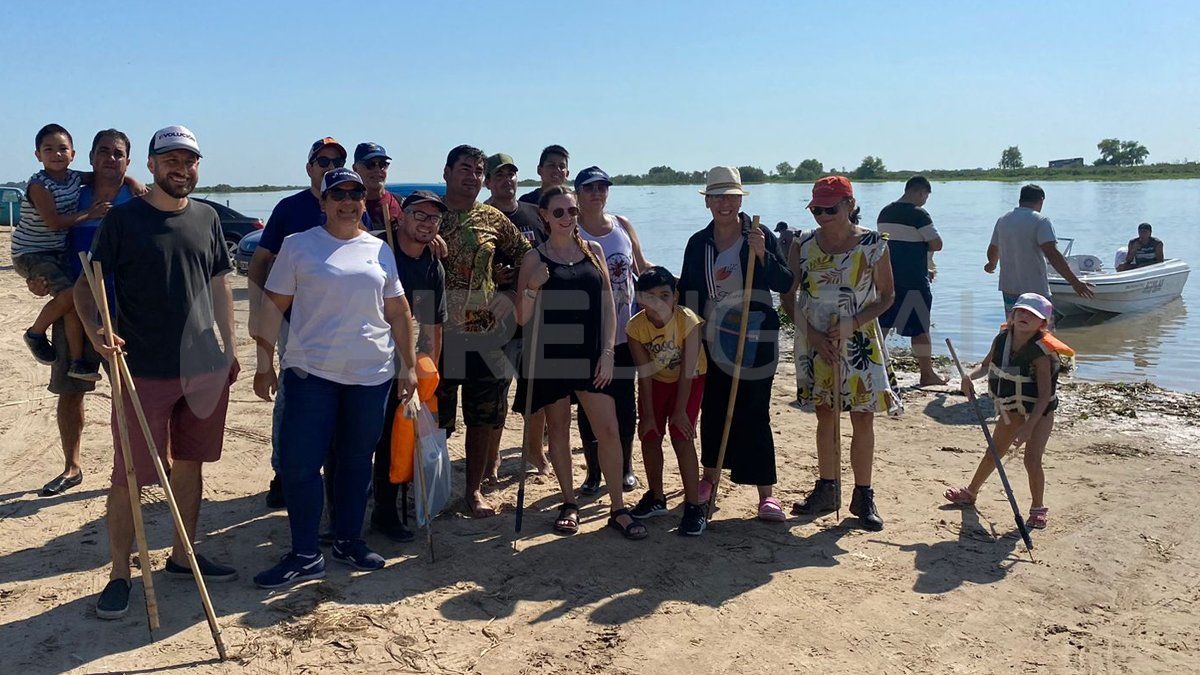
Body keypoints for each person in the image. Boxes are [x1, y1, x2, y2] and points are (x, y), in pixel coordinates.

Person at [74, 125, 239, 619]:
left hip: (202, 368)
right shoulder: (124, 220)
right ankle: (120, 574)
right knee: (130, 475)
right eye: (170, 160)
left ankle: (184, 556)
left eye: (189, 161)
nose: (180, 169)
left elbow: (220, 285)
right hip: (141, 369)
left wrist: (231, 350)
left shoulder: (207, 217)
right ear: (151, 164)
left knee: (191, 463)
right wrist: (97, 334)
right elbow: (86, 287)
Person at [252, 168, 418, 587]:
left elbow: (398, 312)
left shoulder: (379, 249)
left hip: (371, 375)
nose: (347, 202)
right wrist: (264, 363)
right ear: (323, 202)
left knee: (356, 461)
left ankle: (348, 540)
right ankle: (305, 554)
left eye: (355, 194)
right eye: (338, 195)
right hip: (312, 373)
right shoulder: (298, 245)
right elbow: (273, 306)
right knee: (300, 464)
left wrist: (409, 366)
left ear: (364, 201)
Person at [515, 186, 646, 539]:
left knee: (609, 430)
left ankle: (618, 508)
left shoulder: (593, 250)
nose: (567, 218)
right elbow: (522, 317)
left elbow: (608, 306)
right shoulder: (534, 258)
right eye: (558, 212)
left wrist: (608, 353)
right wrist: (532, 288)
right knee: (558, 430)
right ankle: (569, 503)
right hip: (551, 356)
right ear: (544, 215)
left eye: (572, 211)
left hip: (591, 354)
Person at [247, 137, 361, 509]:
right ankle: (284, 473)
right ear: (310, 167)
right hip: (295, 323)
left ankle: (334, 472)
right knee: (292, 398)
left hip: (342, 325)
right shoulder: (289, 208)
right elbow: (260, 262)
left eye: (338, 161)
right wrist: (259, 310)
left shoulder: (353, 206)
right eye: (323, 161)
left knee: (341, 398)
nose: (330, 167)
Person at [678, 166, 794, 522]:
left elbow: (785, 283)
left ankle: (766, 494)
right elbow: (688, 293)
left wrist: (763, 255)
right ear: (707, 202)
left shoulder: (759, 235)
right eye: (717, 197)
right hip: (714, 337)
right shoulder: (699, 242)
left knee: (754, 410)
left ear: (740, 200)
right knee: (714, 406)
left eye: (731, 196)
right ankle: (709, 478)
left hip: (756, 335)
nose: (724, 203)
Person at [786, 175, 901, 531]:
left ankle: (863, 495)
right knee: (826, 414)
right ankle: (827, 488)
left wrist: (854, 323)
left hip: (859, 339)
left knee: (862, 416)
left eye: (830, 209)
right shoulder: (802, 244)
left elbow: (887, 296)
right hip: (816, 339)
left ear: (849, 205)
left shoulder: (874, 244)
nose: (822, 216)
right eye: (816, 210)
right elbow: (788, 298)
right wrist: (814, 335)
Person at [33, 129, 136, 497]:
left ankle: (145, 463)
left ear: (128, 161)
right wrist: (38, 279)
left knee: (135, 392)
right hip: (76, 312)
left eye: (118, 153)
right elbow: (48, 239)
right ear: (90, 158)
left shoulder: (139, 198)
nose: (110, 158)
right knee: (71, 390)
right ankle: (72, 467)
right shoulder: (71, 194)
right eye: (103, 152)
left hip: (126, 312)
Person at [436, 145, 531, 517]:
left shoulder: (492, 217)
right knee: (436, 419)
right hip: (438, 333)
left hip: (485, 332)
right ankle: (433, 487)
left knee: (482, 417)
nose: (472, 176)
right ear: (446, 172)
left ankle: (473, 491)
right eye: (465, 169)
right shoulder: (429, 214)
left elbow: (528, 255)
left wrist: (512, 293)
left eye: (478, 171)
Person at [943, 293, 1073, 530]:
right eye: (1020, 311)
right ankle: (971, 492)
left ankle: (1038, 508)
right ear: (1012, 316)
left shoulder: (1041, 353)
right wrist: (968, 378)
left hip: (1039, 412)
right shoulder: (1002, 339)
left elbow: (1044, 396)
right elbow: (985, 366)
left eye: (1032, 314)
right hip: (1011, 407)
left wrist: (1028, 427)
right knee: (994, 452)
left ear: (1042, 323)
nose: (1024, 316)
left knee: (1032, 459)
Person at [370, 189, 448, 543]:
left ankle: (385, 512)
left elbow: (432, 327)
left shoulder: (432, 265)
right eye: (419, 215)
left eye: (434, 218)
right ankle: (338, 516)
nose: (427, 223)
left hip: (403, 362)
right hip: (364, 357)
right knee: (353, 440)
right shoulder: (378, 250)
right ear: (401, 216)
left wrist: (427, 378)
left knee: (395, 438)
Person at [575, 166, 654, 494]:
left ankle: (625, 467)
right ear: (578, 193)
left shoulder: (622, 224)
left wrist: (677, 286)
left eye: (602, 187)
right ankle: (593, 472)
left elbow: (642, 267)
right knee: (589, 407)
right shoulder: (572, 230)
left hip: (627, 333)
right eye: (589, 188)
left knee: (625, 402)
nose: (597, 193)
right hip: (588, 336)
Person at [15, 124, 109, 382]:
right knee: (71, 294)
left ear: (73, 154)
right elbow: (54, 222)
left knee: (73, 303)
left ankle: (77, 362)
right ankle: (35, 333)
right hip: (31, 252)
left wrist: (133, 182)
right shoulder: (39, 185)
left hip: (57, 251)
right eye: (48, 149)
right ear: (38, 155)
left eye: (62, 149)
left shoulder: (74, 178)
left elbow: (99, 175)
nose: (56, 154)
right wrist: (90, 213)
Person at [625, 267, 708, 535]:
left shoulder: (688, 321)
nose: (658, 303)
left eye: (664, 295)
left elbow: (687, 370)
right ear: (640, 300)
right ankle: (656, 496)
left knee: (681, 436)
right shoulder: (635, 327)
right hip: (657, 379)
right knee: (649, 435)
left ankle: (694, 507)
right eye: (650, 297)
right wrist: (648, 415)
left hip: (690, 379)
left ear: (676, 297)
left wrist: (680, 411)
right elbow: (644, 373)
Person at [484, 152, 551, 475]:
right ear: (488, 182)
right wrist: (492, 276)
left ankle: (535, 451)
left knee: (536, 389)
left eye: (510, 174)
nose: (506, 180)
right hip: (493, 319)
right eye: (498, 175)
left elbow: (551, 254)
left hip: (534, 316)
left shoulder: (533, 213)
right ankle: (492, 456)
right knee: (495, 390)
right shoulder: (481, 216)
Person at [876, 175, 946, 386]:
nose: (924, 200)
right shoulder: (918, 214)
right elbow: (937, 244)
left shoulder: (885, 212)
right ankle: (927, 374)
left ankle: (875, 368)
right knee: (920, 328)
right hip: (914, 278)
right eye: (925, 196)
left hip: (887, 276)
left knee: (883, 324)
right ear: (919, 191)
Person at [985, 184, 1094, 317]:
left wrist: (991, 264)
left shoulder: (1003, 220)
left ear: (1020, 200)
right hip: (1035, 290)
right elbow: (1052, 255)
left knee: (1015, 325)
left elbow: (993, 248)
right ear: (1041, 200)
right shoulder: (1040, 221)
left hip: (1009, 288)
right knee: (1042, 326)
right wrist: (1075, 282)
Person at [352, 142, 402, 233]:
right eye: (370, 164)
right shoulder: (347, 207)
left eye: (383, 164)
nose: (377, 170)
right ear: (355, 169)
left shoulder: (400, 203)